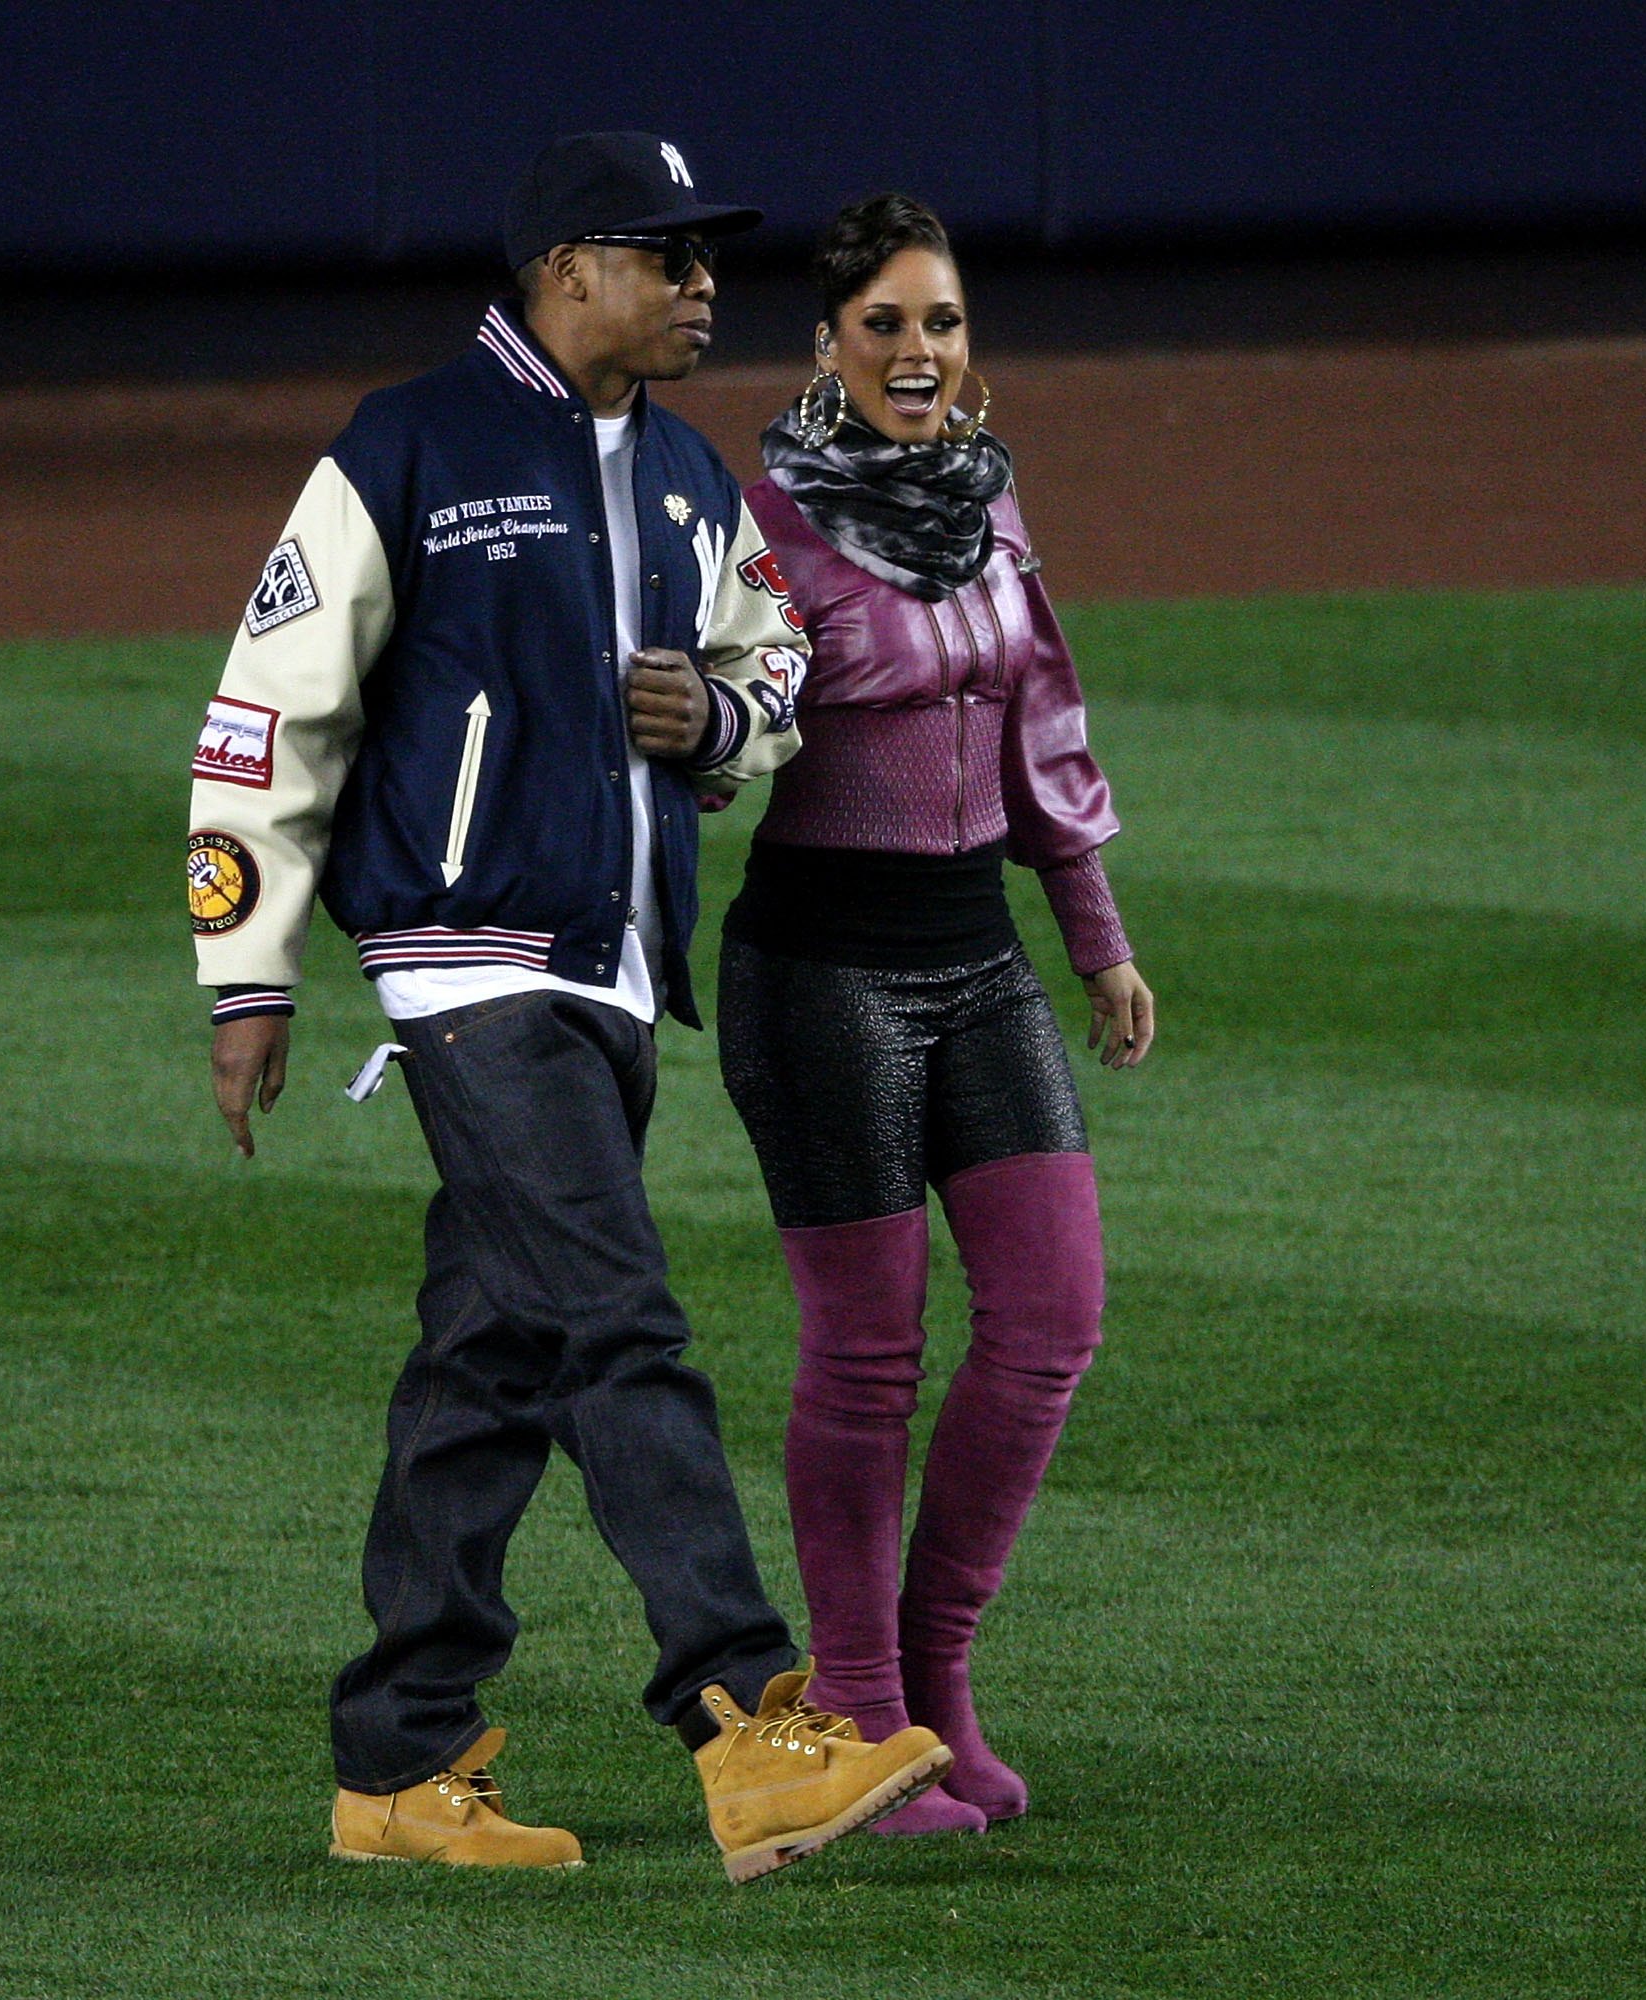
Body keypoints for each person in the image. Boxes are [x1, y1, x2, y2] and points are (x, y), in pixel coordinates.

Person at [186, 133, 950, 1884]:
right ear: (560, 270)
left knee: (492, 1362)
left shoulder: (690, 476)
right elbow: (267, 709)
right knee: (621, 1322)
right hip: (465, 971)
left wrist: (725, 723)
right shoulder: (410, 446)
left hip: (610, 979)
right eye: (663, 254)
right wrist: (250, 974)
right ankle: (749, 1716)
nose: (700, 284)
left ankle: (400, 1759)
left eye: (703, 258)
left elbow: (781, 672)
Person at [719, 193, 1157, 1836]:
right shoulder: (763, 529)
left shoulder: (990, 500)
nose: (920, 353)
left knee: (1050, 1321)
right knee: (869, 1352)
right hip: (821, 970)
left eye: (945, 323)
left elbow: (1043, 716)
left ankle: (930, 1677)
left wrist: (1096, 937)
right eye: (887, 324)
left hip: (979, 958)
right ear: (828, 342)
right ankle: (855, 1713)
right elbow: (720, 750)